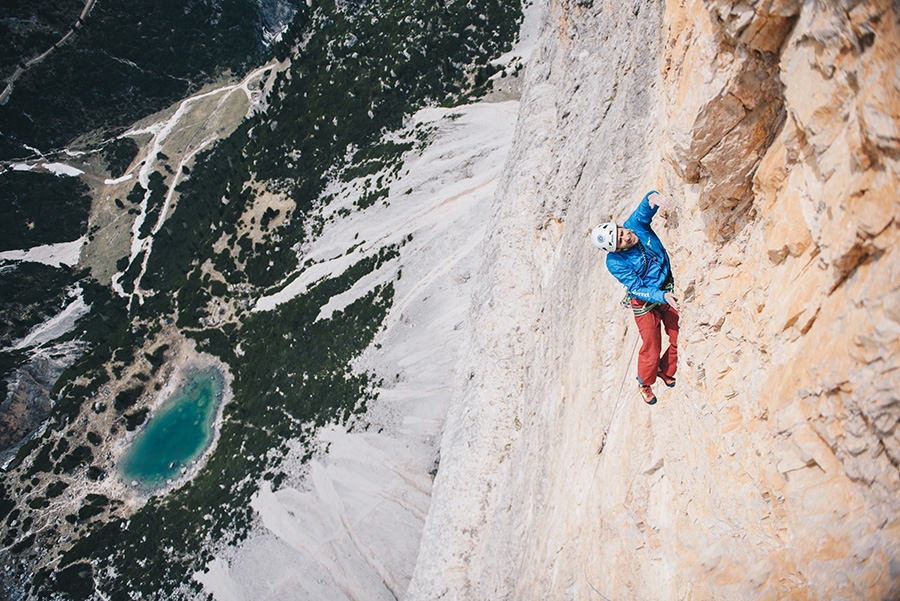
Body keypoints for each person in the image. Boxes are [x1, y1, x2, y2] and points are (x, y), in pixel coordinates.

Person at [590, 190, 679, 405]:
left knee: (678, 336)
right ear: (617, 250)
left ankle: (665, 370)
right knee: (651, 346)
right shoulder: (615, 263)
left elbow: (643, 211)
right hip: (646, 301)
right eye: (621, 241)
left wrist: (652, 199)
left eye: (621, 232)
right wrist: (662, 295)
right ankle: (645, 383)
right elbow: (637, 287)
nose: (627, 237)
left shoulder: (635, 225)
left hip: (664, 288)